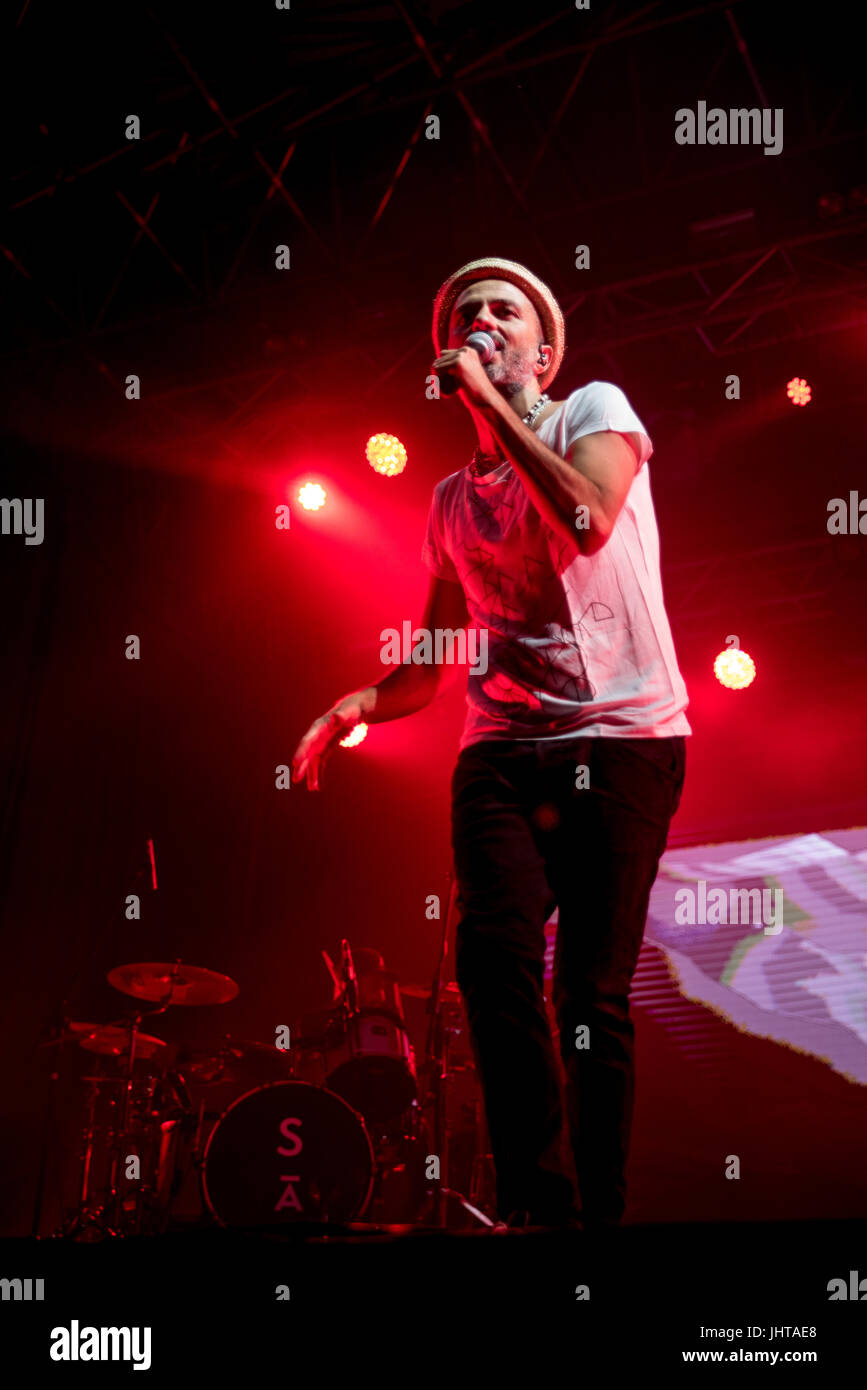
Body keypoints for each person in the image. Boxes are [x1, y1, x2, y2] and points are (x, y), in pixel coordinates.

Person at [291, 257, 691, 1233]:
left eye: (502, 311)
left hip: (624, 736)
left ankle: (602, 1216)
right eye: (465, 313)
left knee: (588, 993)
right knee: (488, 959)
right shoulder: (445, 504)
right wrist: (358, 703)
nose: (481, 320)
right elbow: (431, 663)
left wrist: (493, 409)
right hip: (504, 744)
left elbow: (586, 520)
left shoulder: (593, 408)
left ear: (542, 353)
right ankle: (536, 1208)